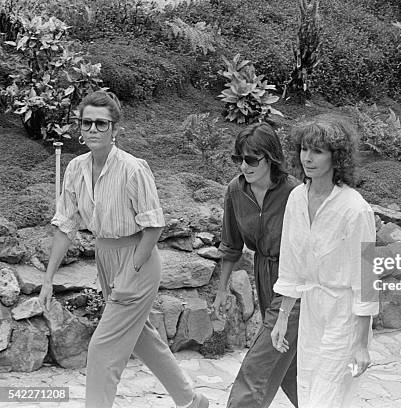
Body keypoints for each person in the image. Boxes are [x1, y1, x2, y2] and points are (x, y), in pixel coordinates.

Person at [38, 90, 208, 408]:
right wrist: (47, 280)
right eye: (87, 122)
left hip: (138, 259)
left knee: (102, 349)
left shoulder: (133, 169)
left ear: (115, 129)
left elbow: (154, 225)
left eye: (101, 124)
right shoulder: (75, 168)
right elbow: (64, 226)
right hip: (105, 257)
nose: (93, 129)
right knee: (141, 337)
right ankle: (191, 401)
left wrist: (130, 273)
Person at [271, 116, 379, 408]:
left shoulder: (355, 209)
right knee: (307, 390)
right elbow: (291, 265)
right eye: (305, 149)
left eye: (318, 151)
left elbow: (366, 279)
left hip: (344, 315)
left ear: (336, 156)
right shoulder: (296, 198)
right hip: (311, 310)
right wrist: (282, 318)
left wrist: (360, 344)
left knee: (326, 398)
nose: (308, 158)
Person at [213, 122, 300, 408]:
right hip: (263, 276)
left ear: (271, 158)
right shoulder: (235, 191)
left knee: (259, 364)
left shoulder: (295, 194)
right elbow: (231, 245)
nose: (243, 166)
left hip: (295, 283)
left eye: (251, 159)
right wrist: (222, 289)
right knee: (289, 365)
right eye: (238, 159)